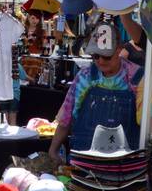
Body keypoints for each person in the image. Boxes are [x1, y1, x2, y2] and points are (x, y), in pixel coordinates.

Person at [49, 22, 144, 156]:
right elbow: (66, 117)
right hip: (84, 156)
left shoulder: (136, 76)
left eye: (106, 56)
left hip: (124, 161)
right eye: (96, 56)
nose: (100, 61)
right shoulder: (84, 77)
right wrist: (53, 150)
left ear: (119, 50)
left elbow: (150, 120)